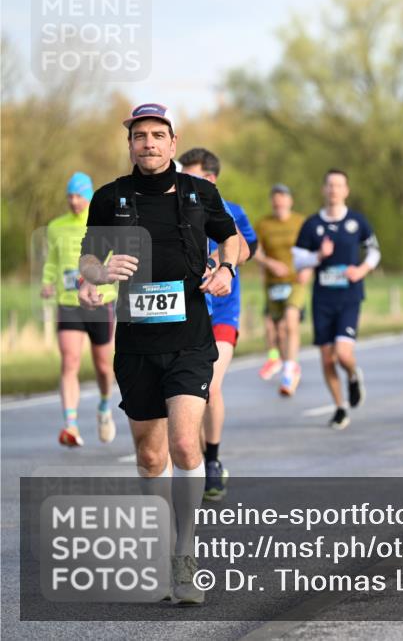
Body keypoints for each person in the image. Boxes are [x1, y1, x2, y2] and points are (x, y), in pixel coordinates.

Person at [78, 103, 241, 605]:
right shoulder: (110, 198)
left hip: (191, 339)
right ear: (130, 145)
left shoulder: (200, 193)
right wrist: (99, 275)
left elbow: (233, 239)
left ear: (172, 144)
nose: (148, 143)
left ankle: (184, 555)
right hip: (136, 344)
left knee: (185, 446)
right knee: (150, 456)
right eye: (139, 136)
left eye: (157, 135)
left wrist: (227, 269)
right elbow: (87, 257)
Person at [178, 148, 257, 502]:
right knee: (184, 395)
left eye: (195, 177)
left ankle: (212, 461)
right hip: (188, 313)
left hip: (223, 312)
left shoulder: (232, 211)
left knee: (209, 384)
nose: (188, 183)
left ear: (211, 179)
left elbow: (244, 248)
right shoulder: (176, 207)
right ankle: (190, 463)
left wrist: (217, 260)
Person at [293, 169, 380, 429]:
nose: (334, 190)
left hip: (349, 296)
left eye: (339, 185)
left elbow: (374, 251)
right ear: (324, 190)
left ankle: (353, 375)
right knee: (327, 358)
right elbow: (298, 260)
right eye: (330, 185)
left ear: (346, 190)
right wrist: (318, 256)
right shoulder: (311, 224)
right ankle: (340, 407)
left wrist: (362, 270)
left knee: (343, 354)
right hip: (322, 299)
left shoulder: (357, 221)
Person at [41, 172, 118, 447]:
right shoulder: (56, 226)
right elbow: (52, 259)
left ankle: (105, 406)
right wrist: (48, 281)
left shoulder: (100, 221)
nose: (74, 201)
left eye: (79, 196)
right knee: (70, 360)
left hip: (100, 300)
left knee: (102, 366)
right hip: (69, 301)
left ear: (89, 197)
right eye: (70, 196)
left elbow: (111, 257)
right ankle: (70, 425)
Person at [254, 184, 307, 394]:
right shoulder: (264, 224)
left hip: (296, 280)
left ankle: (289, 369)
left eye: (283, 198)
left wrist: (308, 269)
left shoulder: (300, 222)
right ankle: (281, 361)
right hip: (273, 284)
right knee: (274, 330)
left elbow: (311, 248)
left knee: (289, 321)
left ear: (290, 201)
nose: (279, 202)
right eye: (275, 198)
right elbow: (254, 251)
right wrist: (269, 263)